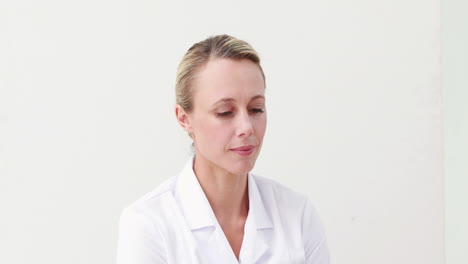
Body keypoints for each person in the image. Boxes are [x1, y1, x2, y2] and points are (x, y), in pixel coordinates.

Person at [116, 34, 330, 263]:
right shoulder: (148, 224)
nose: (246, 128)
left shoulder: (297, 215)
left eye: (256, 109)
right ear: (184, 118)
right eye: (225, 112)